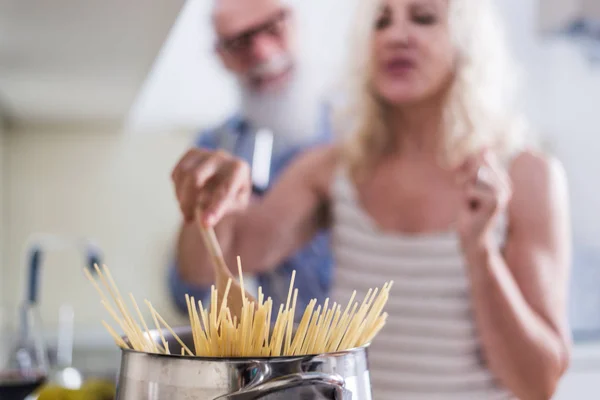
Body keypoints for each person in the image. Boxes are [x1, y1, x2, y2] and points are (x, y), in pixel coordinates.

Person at [171, 0, 572, 398]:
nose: (396, 35)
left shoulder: (527, 176)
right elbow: (203, 266)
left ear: (468, 42)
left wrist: (480, 251)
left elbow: (538, 382)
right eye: (381, 22)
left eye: (423, 17)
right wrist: (211, 199)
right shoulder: (332, 169)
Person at [168, 0, 333, 314]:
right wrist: (212, 211)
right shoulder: (215, 147)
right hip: (286, 356)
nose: (261, 51)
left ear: (296, 24)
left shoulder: (360, 128)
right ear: (222, 57)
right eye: (239, 41)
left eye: (272, 27)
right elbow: (187, 289)